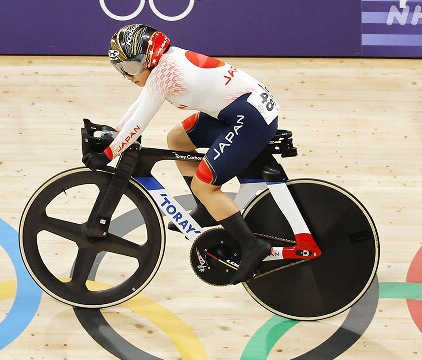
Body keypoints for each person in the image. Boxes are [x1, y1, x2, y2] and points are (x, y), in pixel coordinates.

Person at [82, 24, 278, 284]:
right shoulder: (163, 64)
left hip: (250, 118)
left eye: (130, 68)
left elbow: (140, 122)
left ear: (149, 57)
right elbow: (143, 101)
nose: (128, 77)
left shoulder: (165, 72)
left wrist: (108, 154)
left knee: (206, 185)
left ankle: (252, 245)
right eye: (122, 71)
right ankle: (206, 209)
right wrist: (116, 130)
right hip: (237, 109)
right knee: (178, 139)